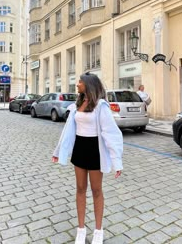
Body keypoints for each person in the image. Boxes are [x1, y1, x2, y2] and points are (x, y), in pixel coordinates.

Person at [52, 72, 123, 244]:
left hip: (95, 151)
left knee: (97, 190)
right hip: (80, 150)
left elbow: (111, 134)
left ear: (89, 85)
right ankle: (81, 230)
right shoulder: (78, 104)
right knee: (80, 189)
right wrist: (58, 151)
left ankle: (98, 231)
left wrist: (117, 161)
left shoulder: (101, 106)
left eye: (80, 82)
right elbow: (68, 131)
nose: (77, 84)